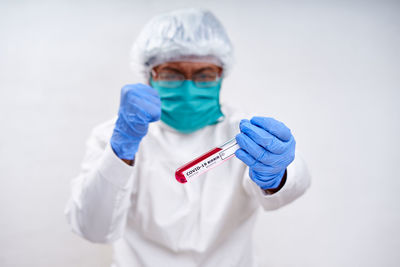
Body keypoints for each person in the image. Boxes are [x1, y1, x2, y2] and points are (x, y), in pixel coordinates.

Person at [65, 8, 311, 267]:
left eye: (204, 74)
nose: (189, 86)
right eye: (172, 74)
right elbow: (91, 228)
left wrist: (279, 174)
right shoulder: (114, 136)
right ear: (149, 74)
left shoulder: (243, 134)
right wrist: (120, 153)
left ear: (221, 75)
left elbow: (292, 186)